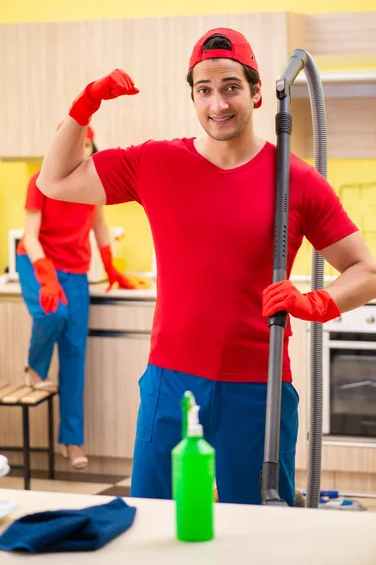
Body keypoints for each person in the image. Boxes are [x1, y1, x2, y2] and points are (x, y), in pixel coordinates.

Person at [36, 29, 376, 503]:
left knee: (258, 528)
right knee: (153, 521)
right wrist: (84, 106)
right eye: (205, 90)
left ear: (258, 94)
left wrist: (316, 301)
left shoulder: (295, 178)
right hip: (169, 384)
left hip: (258, 390)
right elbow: (54, 181)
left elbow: (365, 270)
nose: (218, 103)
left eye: (231, 87)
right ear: (193, 96)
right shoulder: (154, 163)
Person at [17, 124, 148, 469]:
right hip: (37, 262)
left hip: (75, 271)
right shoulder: (39, 180)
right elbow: (30, 236)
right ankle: (34, 366)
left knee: (75, 353)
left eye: (88, 144)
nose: (83, 149)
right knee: (53, 315)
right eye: (77, 143)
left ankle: (73, 443)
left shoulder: (92, 186)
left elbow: (99, 225)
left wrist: (112, 268)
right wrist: (45, 275)